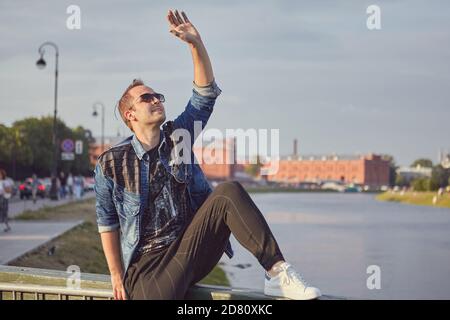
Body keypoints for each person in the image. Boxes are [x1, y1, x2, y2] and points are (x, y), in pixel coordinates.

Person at [94, 9, 321, 300]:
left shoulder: (179, 136)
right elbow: (107, 221)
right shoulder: (111, 163)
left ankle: (277, 272)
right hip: (148, 266)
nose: (156, 100)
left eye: (158, 96)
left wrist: (195, 44)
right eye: (146, 98)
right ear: (130, 114)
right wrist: (116, 274)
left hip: (191, 247)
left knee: (228, 191)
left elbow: (204, 96)